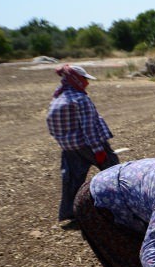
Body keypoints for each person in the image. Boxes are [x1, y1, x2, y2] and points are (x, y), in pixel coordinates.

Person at [46, 64, 119, 225]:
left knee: (72, 179)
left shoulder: (58, 98)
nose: (87, 82)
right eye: (84, 79)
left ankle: (70, 212)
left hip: (69, 147)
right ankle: (120, 205)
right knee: (114, 172)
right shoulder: (80, 99)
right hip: (90, 145)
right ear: (76, 79)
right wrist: (98, 150)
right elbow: (89, 127)